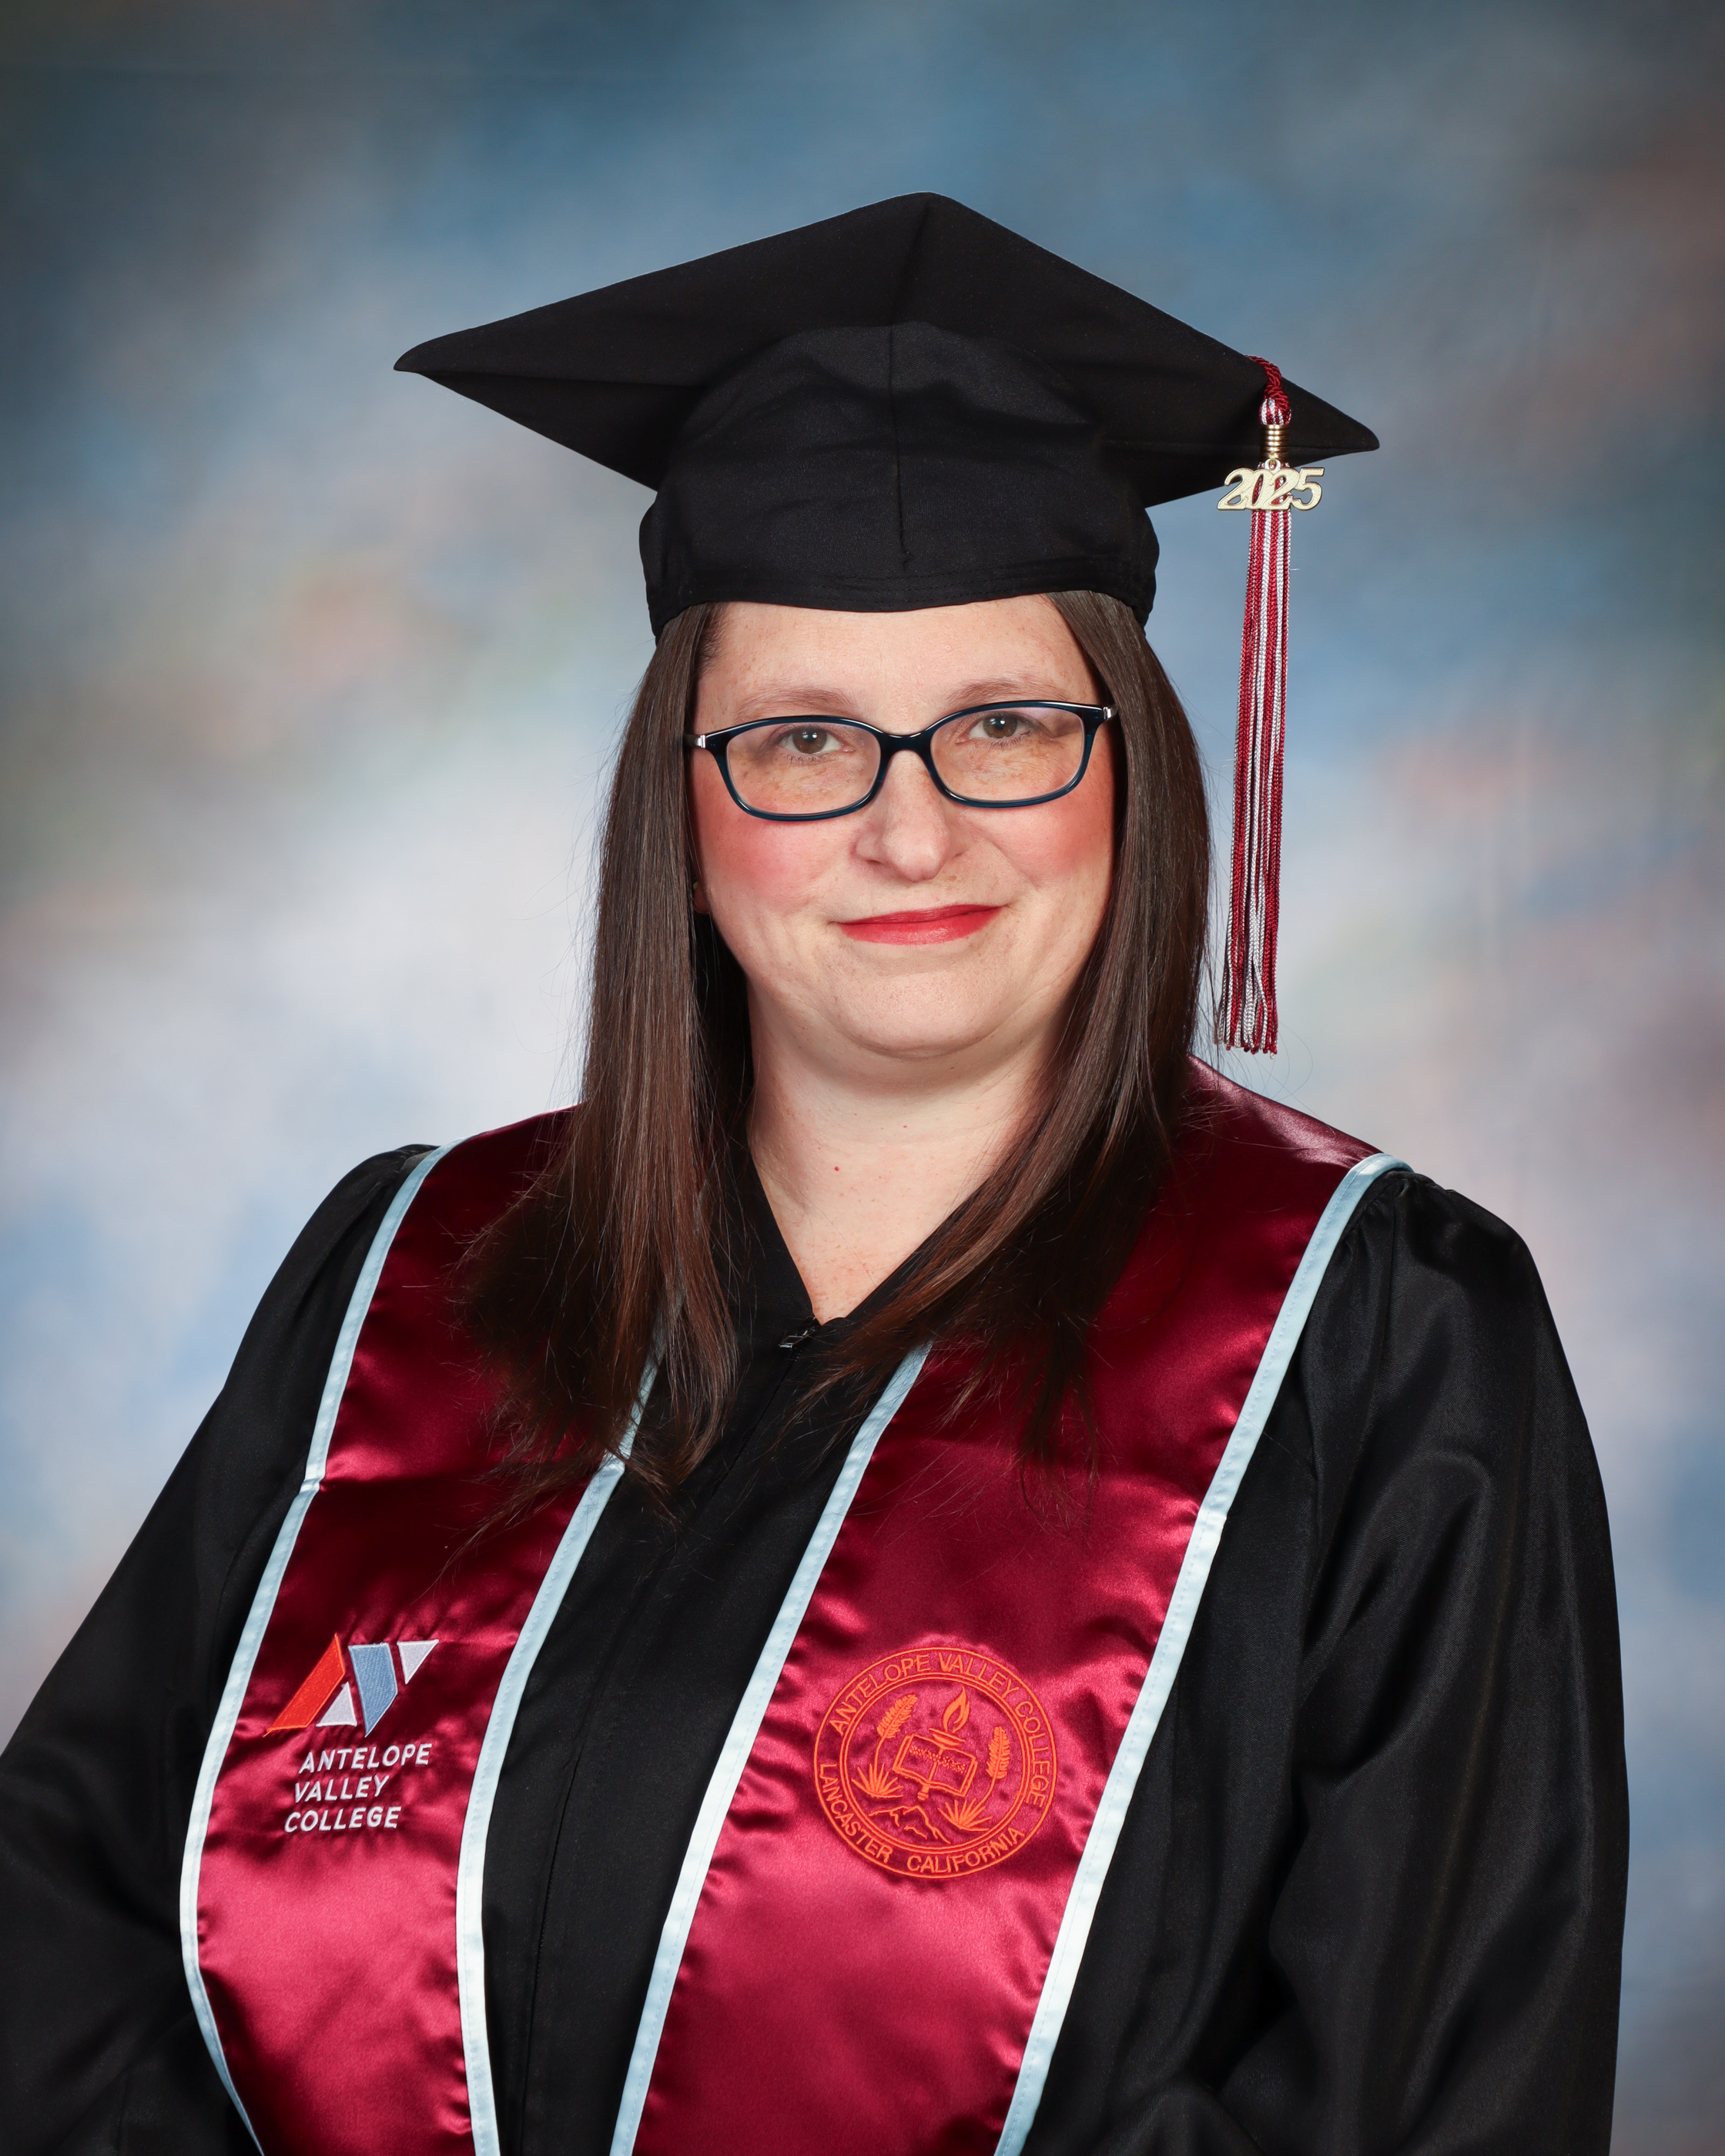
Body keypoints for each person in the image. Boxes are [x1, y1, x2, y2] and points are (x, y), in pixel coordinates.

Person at [0, 195, 1626, 2156]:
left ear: (1135, 773)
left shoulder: (1376, 1338)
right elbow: (62, 1935)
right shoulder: (404, 1280)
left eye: (1006, 727)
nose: (910, 832)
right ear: (682, 809)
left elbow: (1436, 2083)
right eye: (799, 741)